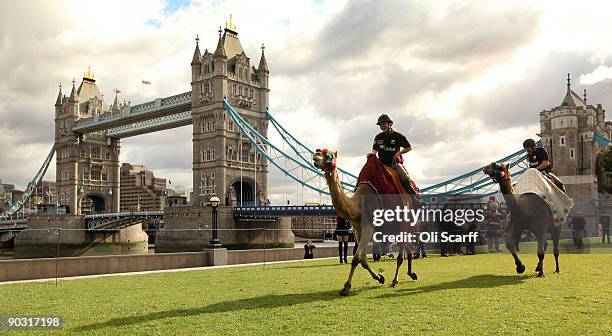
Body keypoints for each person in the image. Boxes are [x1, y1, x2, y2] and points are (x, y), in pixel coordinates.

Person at [369, 114, 420, 206]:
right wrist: (371, 155)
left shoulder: (398, 136)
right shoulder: (378, 137)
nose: (382, 126)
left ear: (390, 124)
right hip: (381, 164)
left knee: (405, 178)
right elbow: (374, 150)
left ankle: (414, 200)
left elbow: (409, 148)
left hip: (394, 164)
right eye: (380, 125)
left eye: (384, 124)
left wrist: (399, 153)